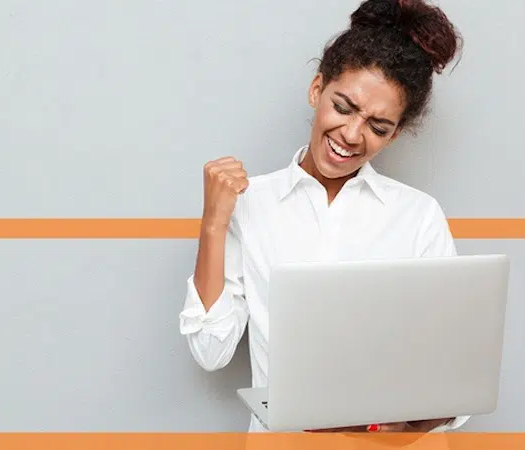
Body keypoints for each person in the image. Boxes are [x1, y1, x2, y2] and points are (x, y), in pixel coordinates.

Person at [179, 0, 469, 436]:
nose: (352, 135)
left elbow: (453, 385)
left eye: (378, 126)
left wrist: (410, 421)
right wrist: (214, 224)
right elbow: (210, 349)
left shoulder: (418, 216)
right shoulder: (251, 202)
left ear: (396, 134)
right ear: (317, 89)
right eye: (344, 107)